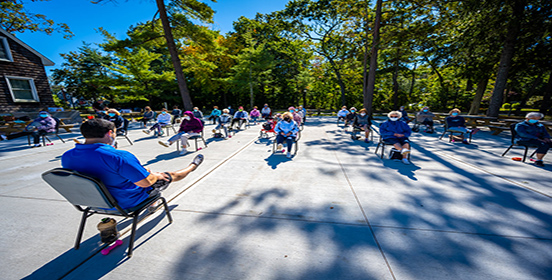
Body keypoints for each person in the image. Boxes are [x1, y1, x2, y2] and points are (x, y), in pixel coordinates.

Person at [61, 118, 204, 210]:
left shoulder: (67, 156)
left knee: (141, 172)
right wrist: (154, 175)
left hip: (93, 202)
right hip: (124, 202)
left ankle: (151, 193)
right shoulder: (119, 156)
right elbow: (146, 183)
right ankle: (192, 166)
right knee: (166, 176)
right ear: (110, 133)